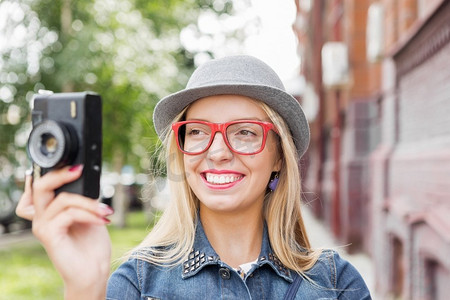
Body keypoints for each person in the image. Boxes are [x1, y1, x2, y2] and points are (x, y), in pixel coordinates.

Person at [16, 55, 371, 299]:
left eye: (245, 132)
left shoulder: (335, 283)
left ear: (279, 156)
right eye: (198, 131)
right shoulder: (137, 284)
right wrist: (84, 288)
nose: (217, 151)